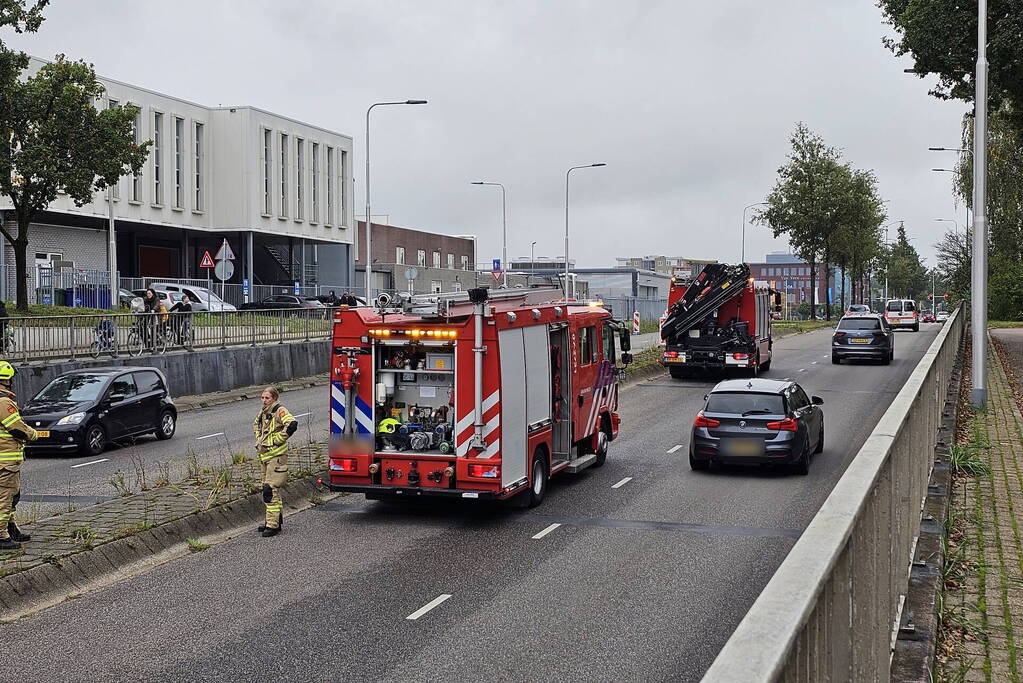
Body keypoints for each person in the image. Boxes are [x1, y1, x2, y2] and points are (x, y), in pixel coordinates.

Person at [0, 361, 37, 550]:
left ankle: (11, 528)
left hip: (6, 460)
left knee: (12, 496)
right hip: (6, 461)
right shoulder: (3, 401)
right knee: (5, 497)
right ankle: (2, 536)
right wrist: (33, 434)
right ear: (7, 379)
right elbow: (17, 428)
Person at [252, 387, 297, 537]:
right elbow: (256, 425)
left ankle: (272, 525)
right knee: (269, 489)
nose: (264, 400)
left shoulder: (279, 410)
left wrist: (276, 440)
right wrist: (260, 440)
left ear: (275, 398)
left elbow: (292, 424)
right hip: (265, 456)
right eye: (262, 397)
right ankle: (273, 521)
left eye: (267, 398)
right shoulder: (264, 411)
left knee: (270, 490)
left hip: (276, 457)